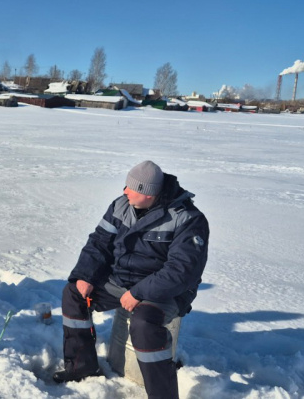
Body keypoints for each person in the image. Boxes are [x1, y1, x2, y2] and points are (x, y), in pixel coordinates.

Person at [53, 161, 209, 399]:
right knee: (74, 294)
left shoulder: (188, 219)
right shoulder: (120, 205)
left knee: (144, 324)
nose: (125, 191)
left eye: (131, 188)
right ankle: (81, 365)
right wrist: (85, 275)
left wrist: (139, 293)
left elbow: (181, 272)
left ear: (149, 194)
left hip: (166, 290)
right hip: (122, 281)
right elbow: (98, 244)